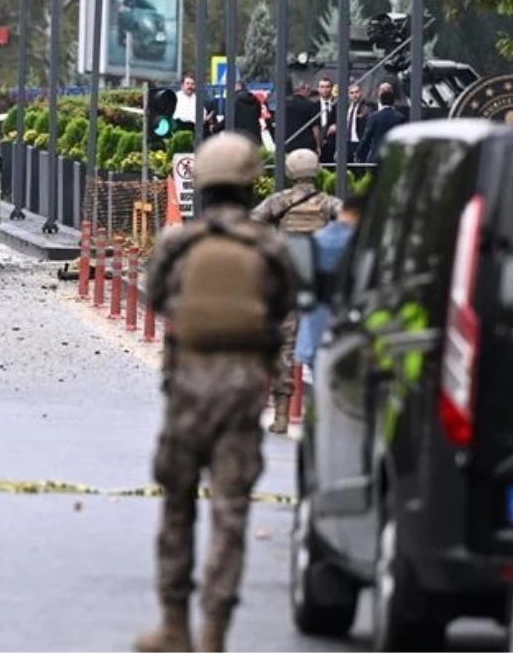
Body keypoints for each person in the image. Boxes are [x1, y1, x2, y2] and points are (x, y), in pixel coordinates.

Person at [137, 132, 297, 653]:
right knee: (231, 511)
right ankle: (214, 633)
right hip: (243, 390)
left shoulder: (180, 243)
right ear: (252, 185)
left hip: (188, 385)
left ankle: (173, 624)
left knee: (178, 504)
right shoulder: (268, 246)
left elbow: (154, 294)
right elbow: (286, 302)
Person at [250, 149, 341, 434]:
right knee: (327, 345)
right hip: (320, 284)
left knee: (284, 347)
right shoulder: (329, 204)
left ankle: (281, 416)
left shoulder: (280, 201)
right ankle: (326, 417)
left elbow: (252, 224)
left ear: (290, 171)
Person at [295, 193, 364, 374]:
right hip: (346, 331)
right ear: (358, 214)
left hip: (312, 328)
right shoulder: (360, 243)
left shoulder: (315, 239)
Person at [357, 88, 407, 164]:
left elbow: (366, 137)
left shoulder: (373, 117)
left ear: (380, 101)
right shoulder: (400, 117)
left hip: (376, 157)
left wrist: (359, 153)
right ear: (393, 102)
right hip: (393, 158)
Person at [282, 79, 321, 154]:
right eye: (309, 90)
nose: (309, 93)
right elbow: (315, 129)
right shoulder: (311, 105)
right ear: (303, 89)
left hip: (288, 145)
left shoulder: (284, 105)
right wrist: (318, 146)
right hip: (306, 146)